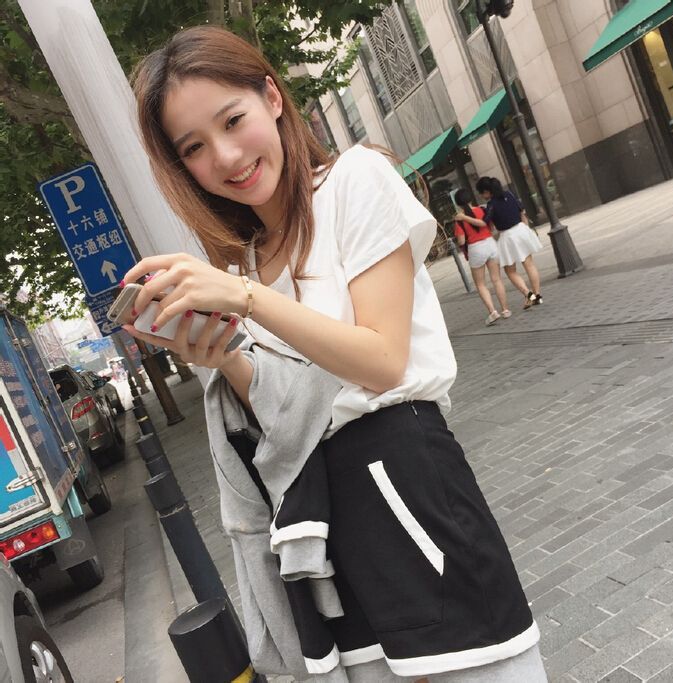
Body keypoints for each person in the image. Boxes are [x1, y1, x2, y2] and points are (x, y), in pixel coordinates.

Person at [122, 26, 545, 682]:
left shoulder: (354, 180)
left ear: (272, 97)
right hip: (321, 519)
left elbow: (382, 360)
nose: (227, 156)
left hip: (406, 478)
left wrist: (246, 300)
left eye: (232, 120)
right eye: (194, 148)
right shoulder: (248, 262)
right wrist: (220, 355)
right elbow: (287, 413)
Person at [475, 177, 543, 310]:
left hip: (508, 236)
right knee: (529, 264)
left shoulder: (491, 205)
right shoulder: (509, 194)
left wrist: (465, 217)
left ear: (487, 192)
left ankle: (529, 295)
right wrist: (526, 228)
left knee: (510, 271)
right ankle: (537, 295)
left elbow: (485, 223)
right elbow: (522, 211)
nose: (482, 196)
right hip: (521, 230)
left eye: (481, 193)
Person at [453, 188, 510, 326]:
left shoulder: (459, 219)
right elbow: (491, 227)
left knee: (480, 284)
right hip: (491, 244)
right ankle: (505, 310)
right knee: (497, 279)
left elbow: (461, 241)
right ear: (470, 198)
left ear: (458, 203)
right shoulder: (483, 210)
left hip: (476, 249)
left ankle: (492, 312)